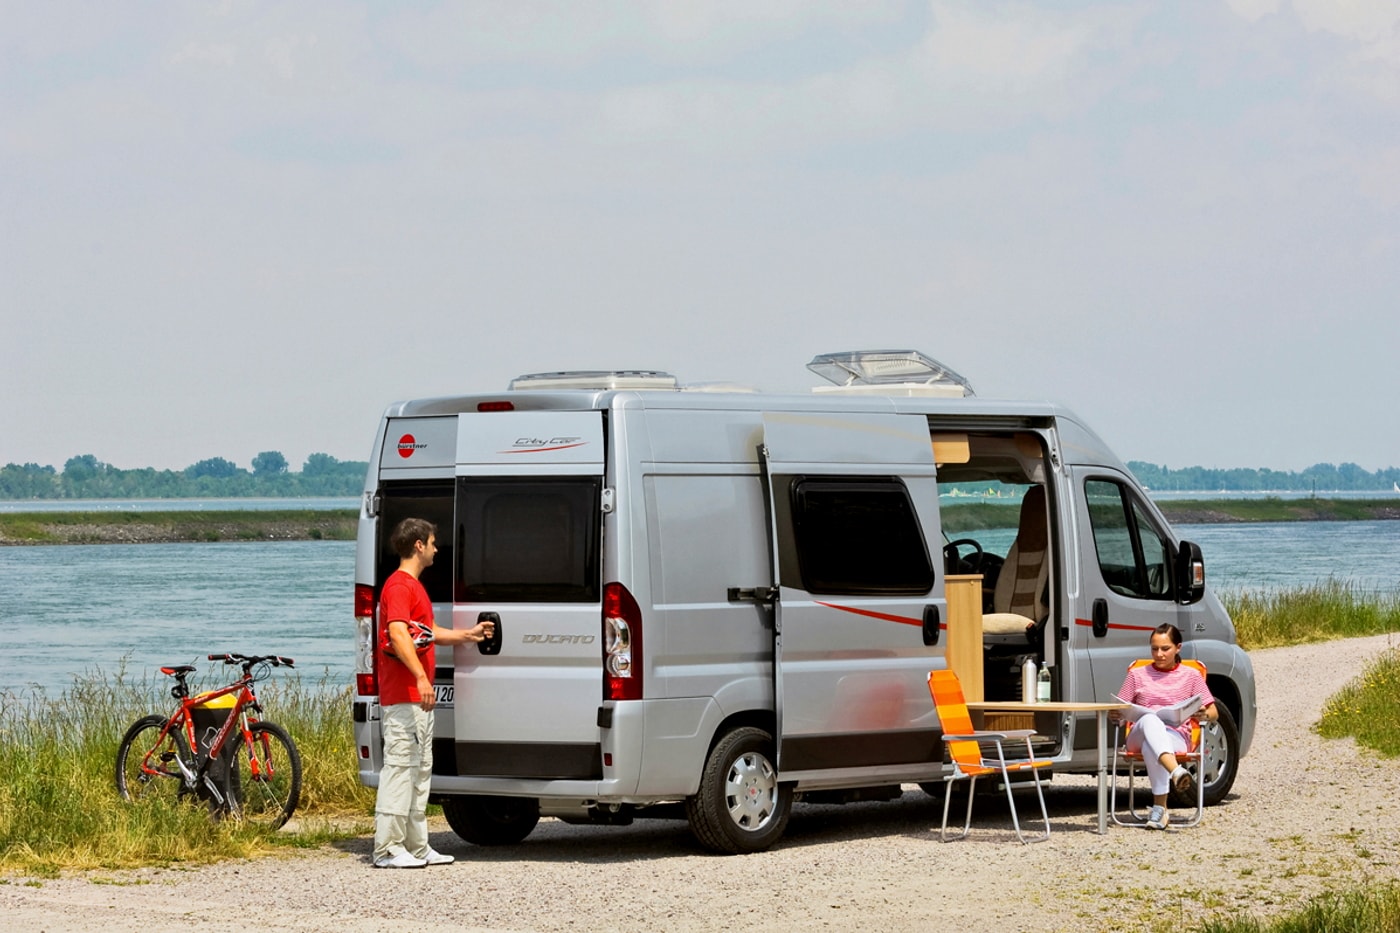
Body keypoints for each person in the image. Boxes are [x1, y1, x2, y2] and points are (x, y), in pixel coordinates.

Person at [373, 517, 494, 869]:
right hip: (404, 695)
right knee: (399, 768)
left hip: (418, 699)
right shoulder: (398, 586)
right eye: (432, 542)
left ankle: (416, 844)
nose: (437, 548)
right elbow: (397, 634)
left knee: (420, 769)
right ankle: (387, 849)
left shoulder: (415, 588)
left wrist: (468, 636)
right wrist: (421, 678)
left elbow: (428, 631)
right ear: (418, 546)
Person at [1115, 623, 1217, 831]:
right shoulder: (1137, 674)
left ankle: (1159, 810)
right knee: (1150, 720)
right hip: (1138, 733)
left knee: (1152, 744)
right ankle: (1176, 771)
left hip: (1175, 735)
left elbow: (1214, 712)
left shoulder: (1191, 676)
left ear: (1178, 647)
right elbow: (1120, 707)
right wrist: (1116, 713)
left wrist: (1203, 714)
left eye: (1165, 649)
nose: (1159, 654)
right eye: (1154, 649)